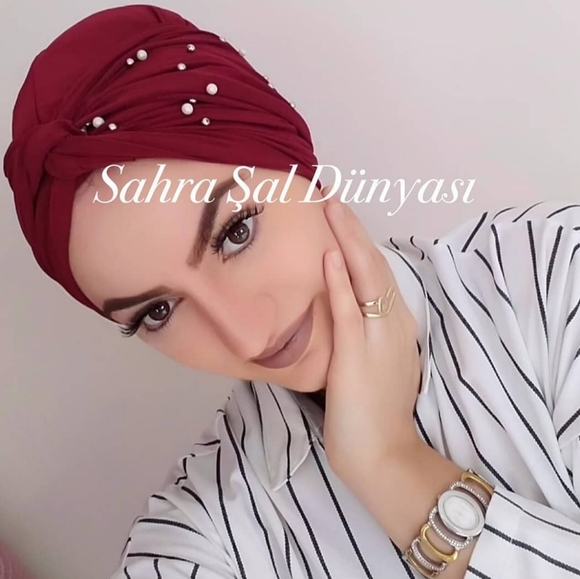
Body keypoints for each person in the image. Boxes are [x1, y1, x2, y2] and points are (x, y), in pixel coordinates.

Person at [4, 4, 580, 578]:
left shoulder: (553, 273)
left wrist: (389, 464)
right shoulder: (197, 542)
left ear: (296, 161)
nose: (247, 336)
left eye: (236, 232)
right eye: (158, 311)